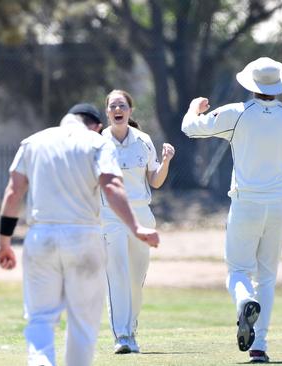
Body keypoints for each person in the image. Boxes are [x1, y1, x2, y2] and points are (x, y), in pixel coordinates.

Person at [181, 57, 282, 363]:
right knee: (267, 276)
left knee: (237, 271)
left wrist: (194, 108)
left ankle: (244, 301)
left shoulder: (236, 113)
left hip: (246, 203)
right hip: (279, 205)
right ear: (279, 87)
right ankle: (259, 347)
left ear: (250, 84)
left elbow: (189, 129)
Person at [0, 102, 160, 366]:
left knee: (40, 318)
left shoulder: (33, 142)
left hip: (41, 237)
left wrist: (4, 243)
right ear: (96, 126)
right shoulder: (97, 143)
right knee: (82, 321)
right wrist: (136, 226)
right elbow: (112, 186)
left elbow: (13, 192)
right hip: (83, 237)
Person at [100, 90, 175, 354]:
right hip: (110, 216)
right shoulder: (98, 143)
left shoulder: (143, 141)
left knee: (135, 279)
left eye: (122, 105)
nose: (117, 109)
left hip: (142, 215)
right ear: (107, 112)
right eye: (112, 106)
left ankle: (131, 330)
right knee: (117, 273)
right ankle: (121, 336)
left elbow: (155, 180)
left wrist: (165, 161)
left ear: (130, 111)